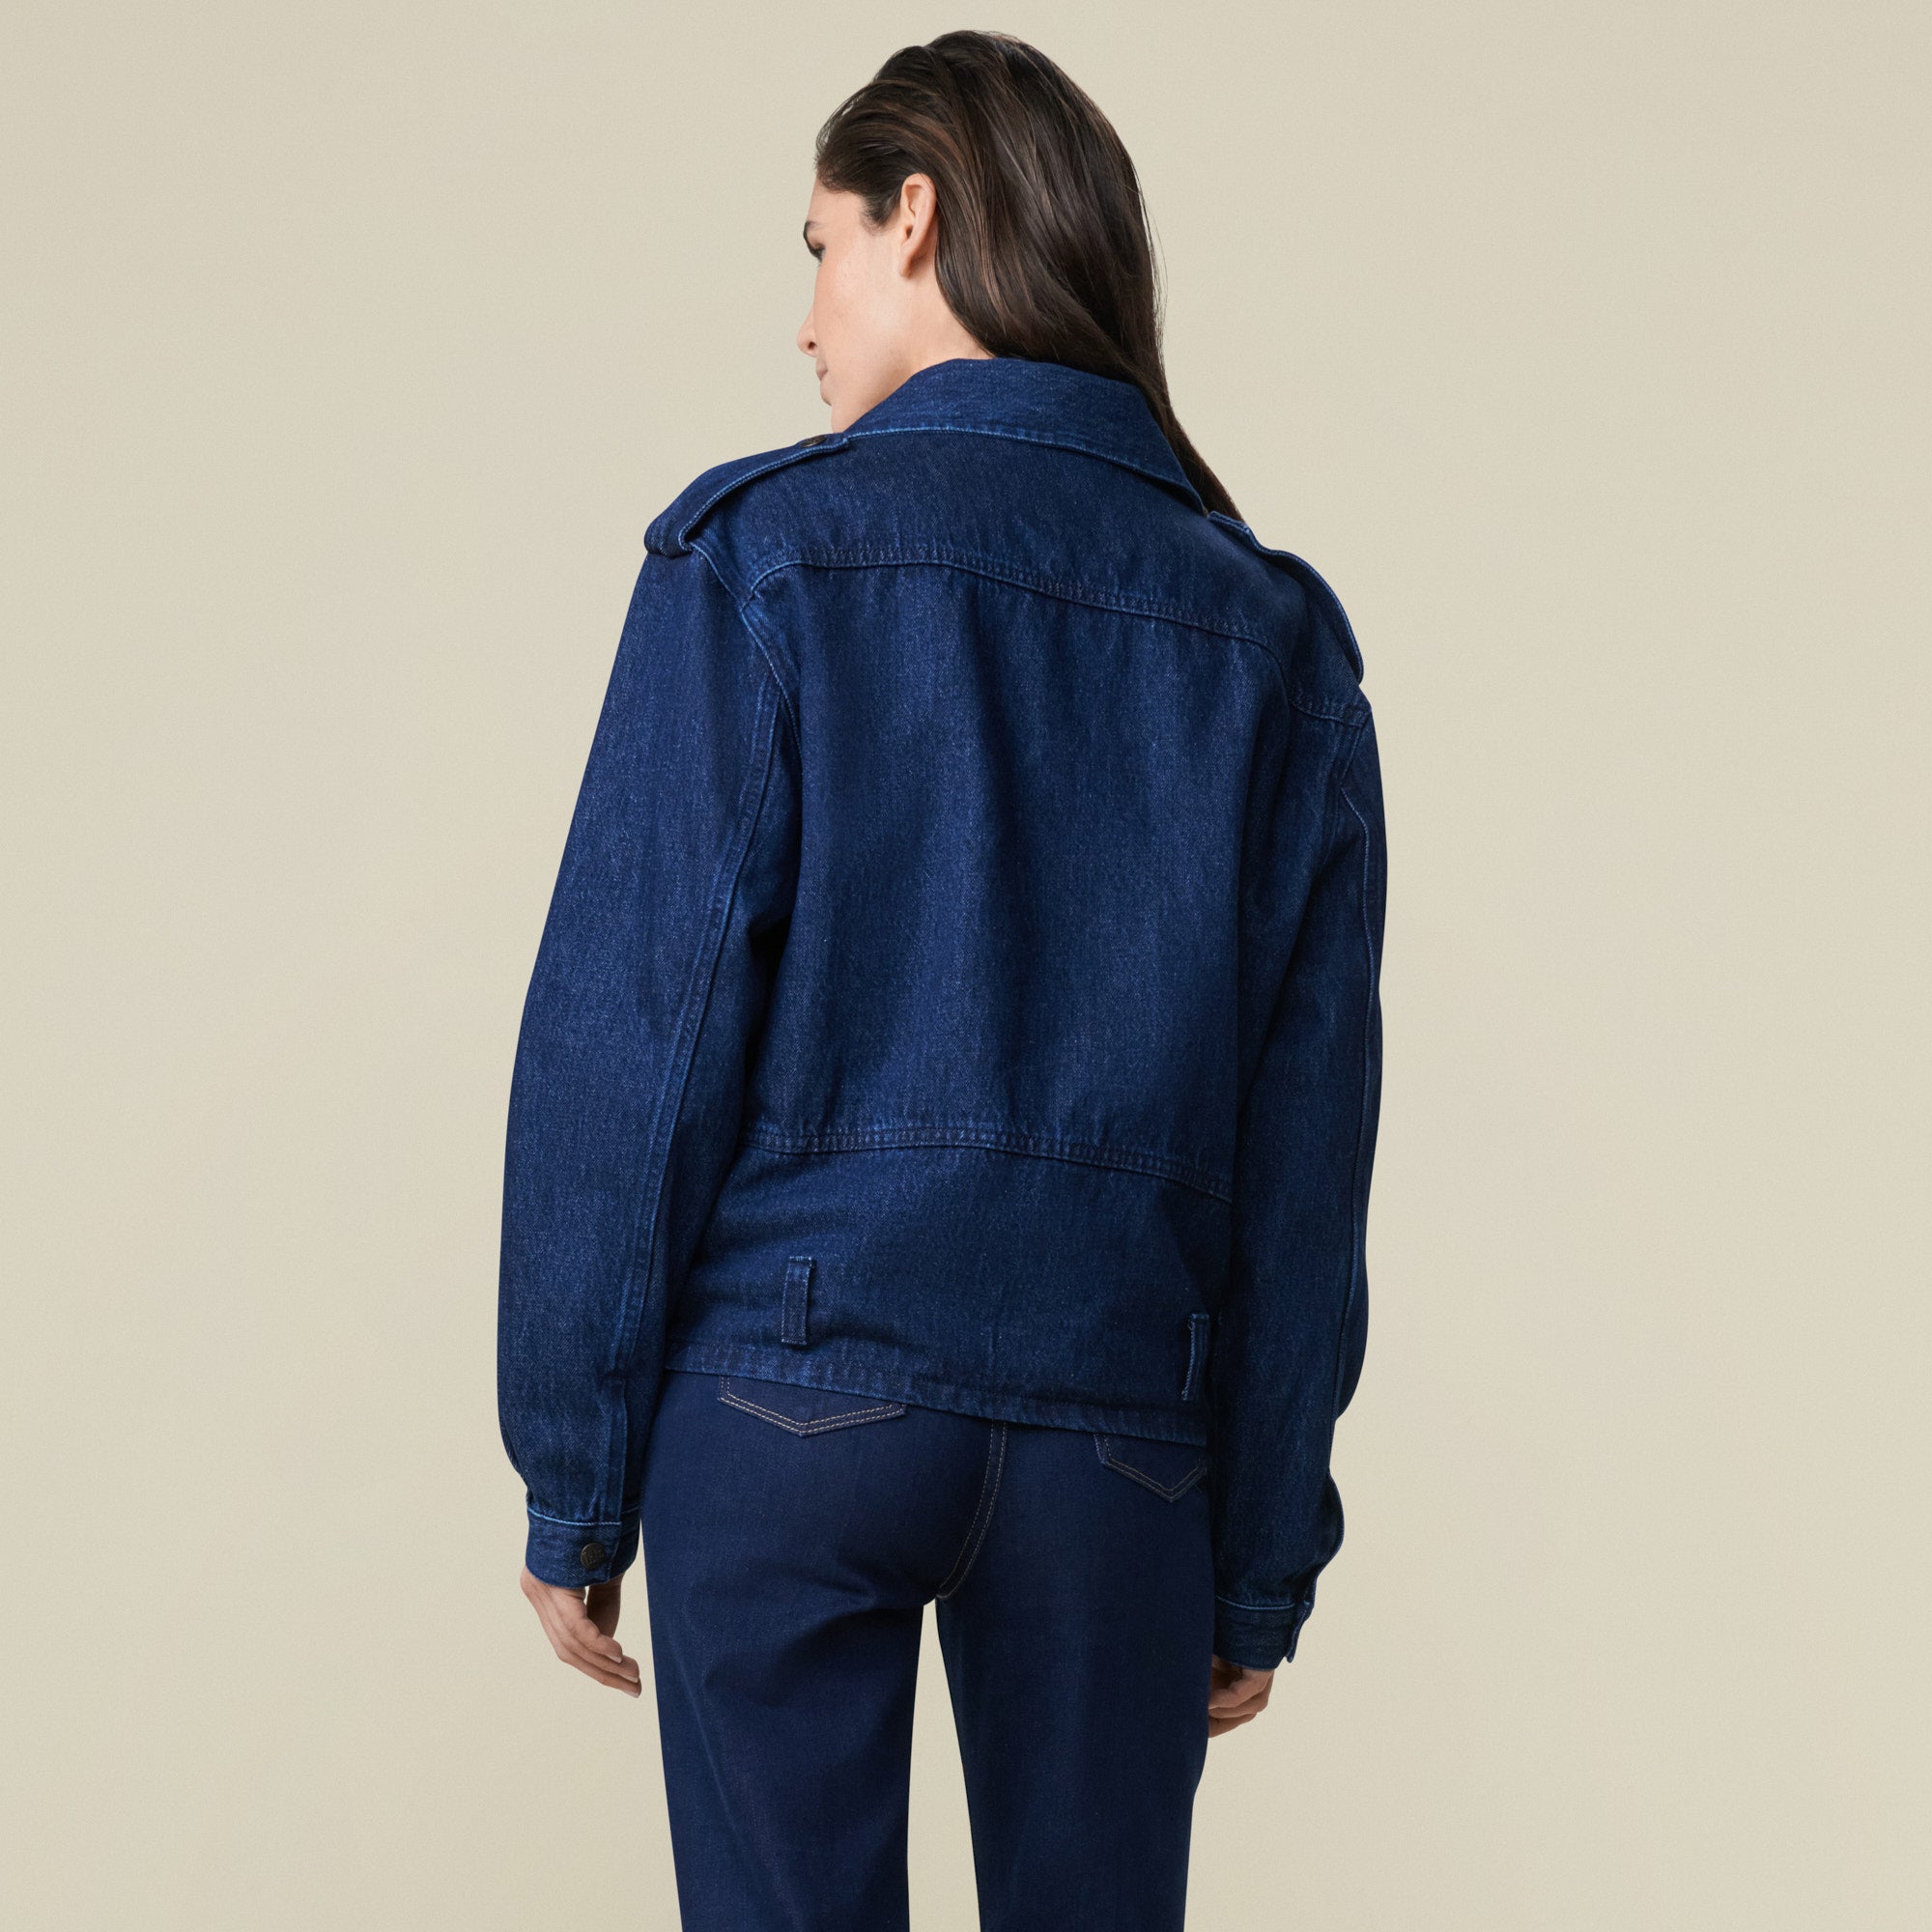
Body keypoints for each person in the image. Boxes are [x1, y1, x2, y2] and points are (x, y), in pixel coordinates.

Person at [497, 29, 1385, 1932]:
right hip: (1118, 1433)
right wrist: (1256, 1557)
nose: (806, 319)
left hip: (785, 1394)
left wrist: (574, 1469)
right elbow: (1308, 1149)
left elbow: (630, 1042)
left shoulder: (763, 556)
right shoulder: (1272, 635)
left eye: (819, 248)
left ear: (918, 216)